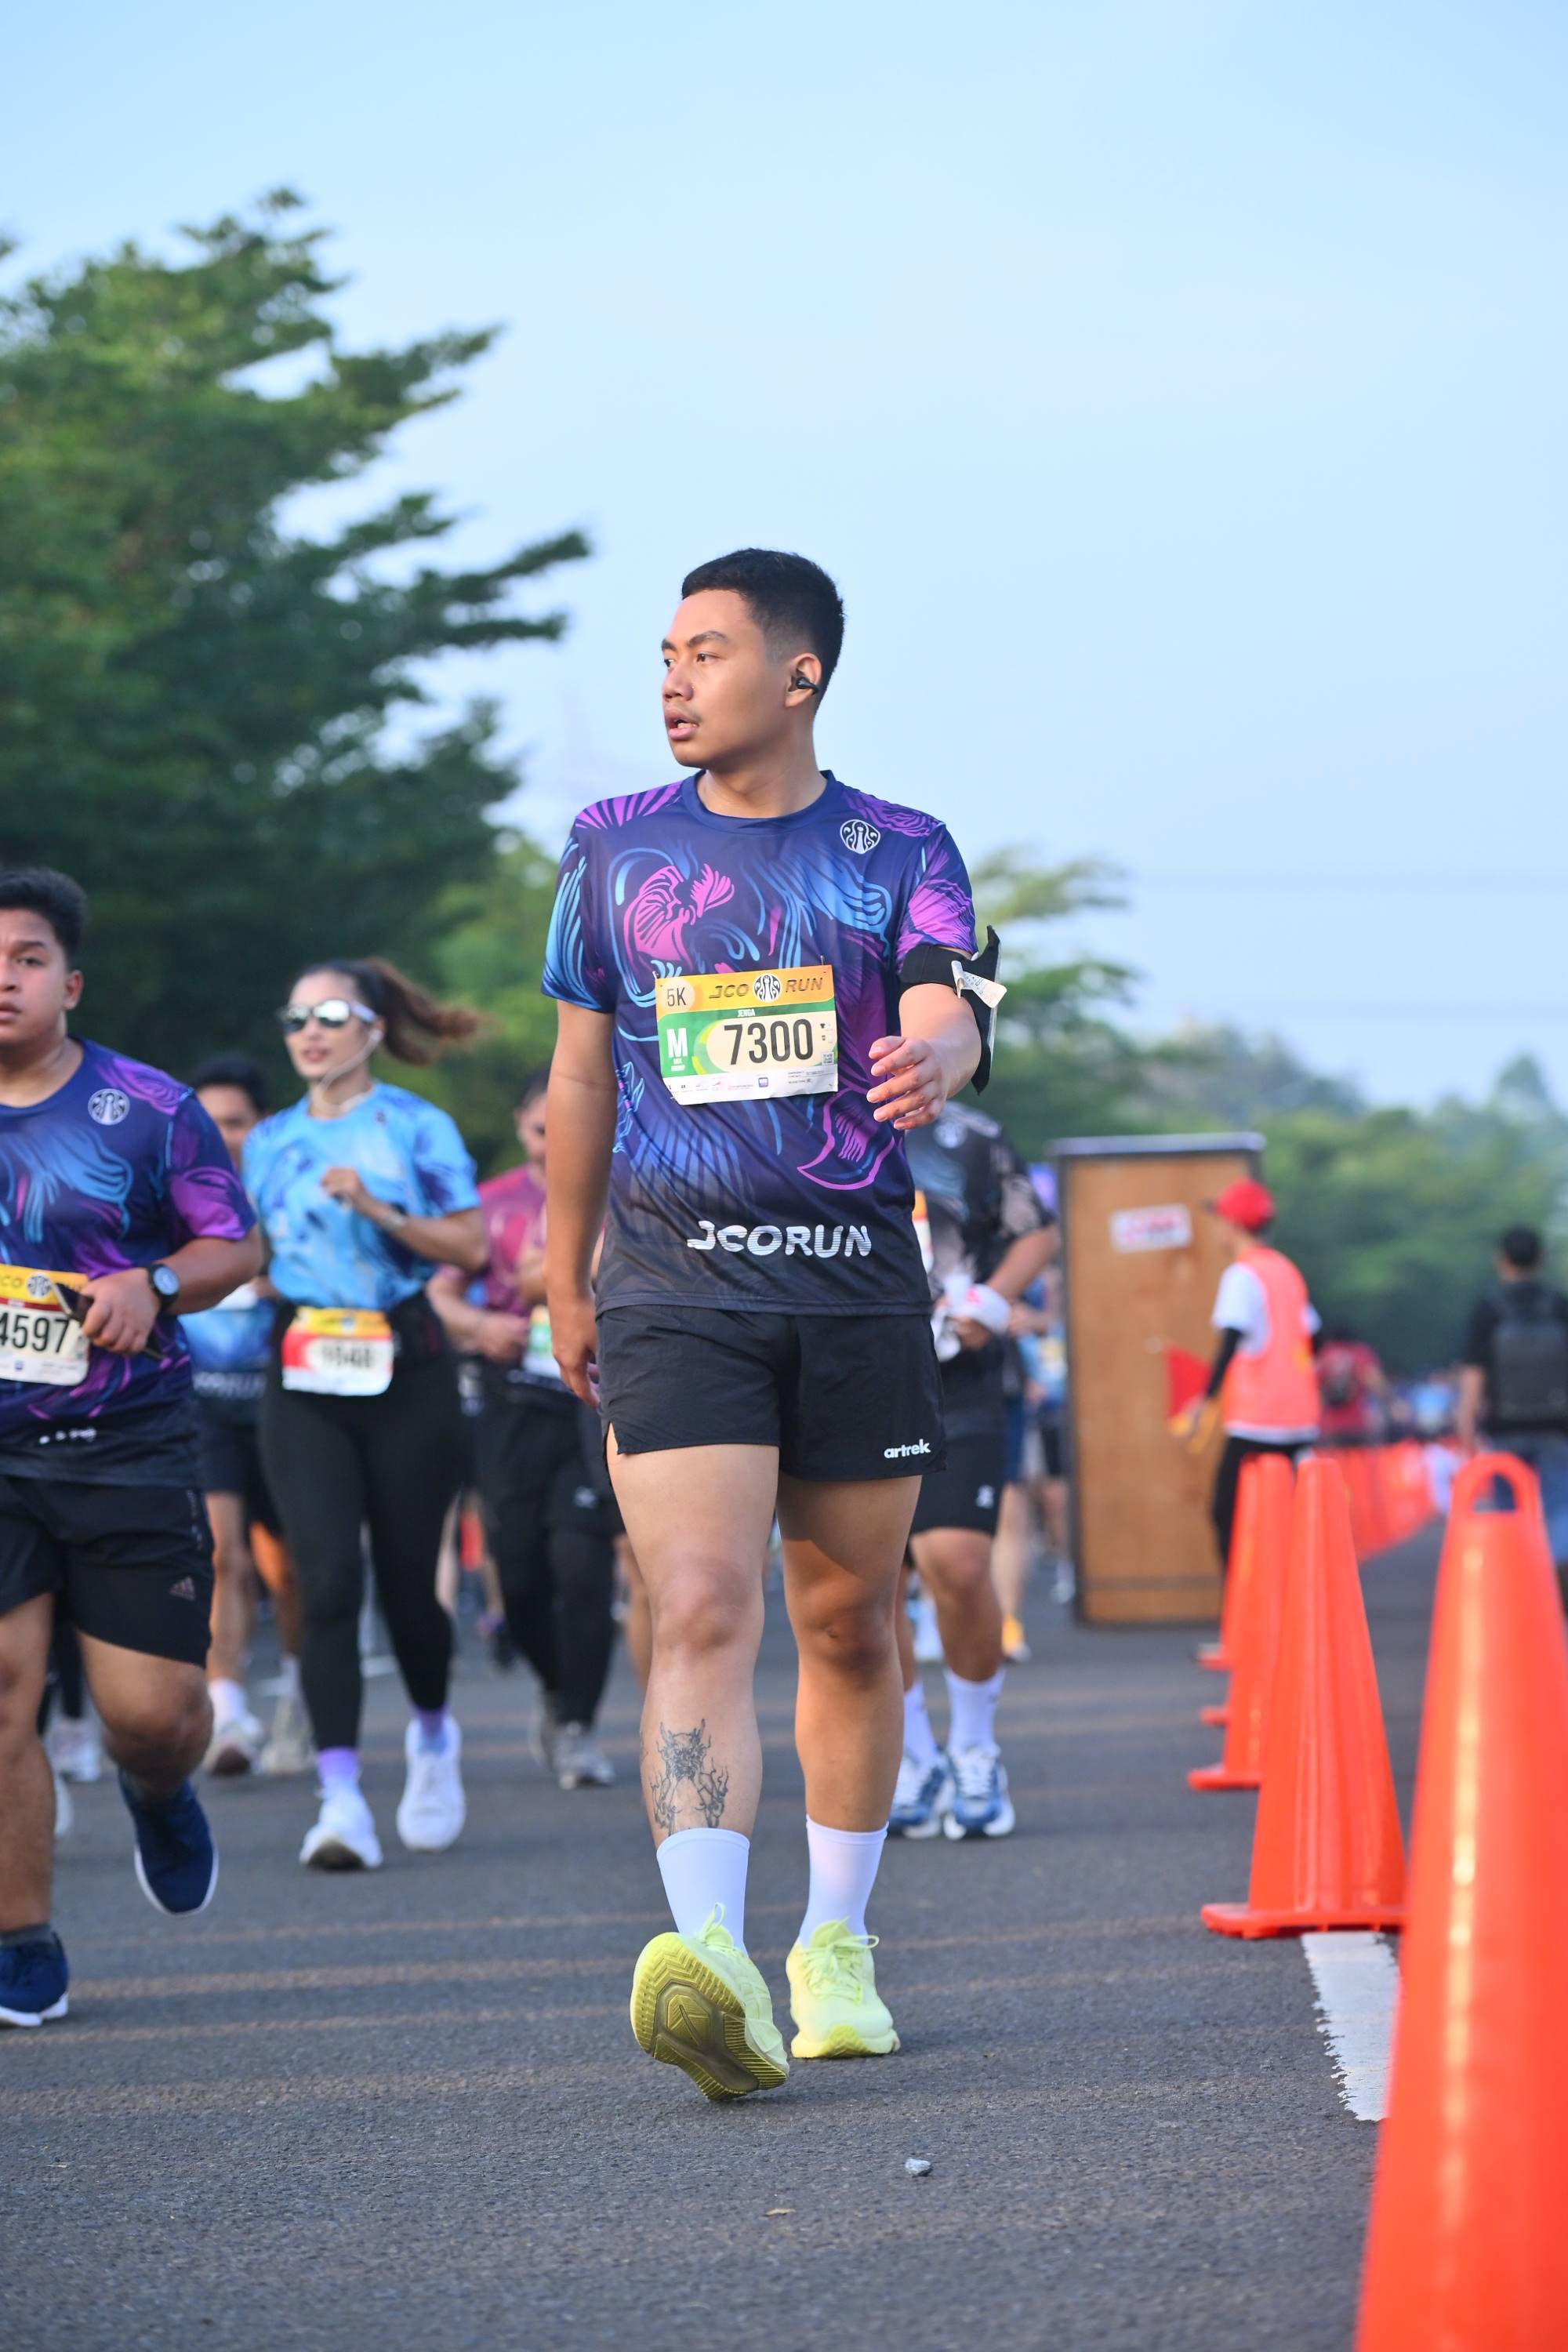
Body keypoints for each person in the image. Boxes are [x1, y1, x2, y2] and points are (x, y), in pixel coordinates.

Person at [543, 547, 1000, 2101]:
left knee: (850, 1624)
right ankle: (713, 1961)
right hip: (675, 1286)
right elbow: (583, 1073)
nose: (674, 683)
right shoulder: (613, 846)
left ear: (798, 675)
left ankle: (835, 1946)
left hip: (854, 1281)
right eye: (665, 656)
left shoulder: (898, 846)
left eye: (709, 653)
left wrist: (938, 1053)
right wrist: (561, 1271)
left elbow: (950, 997)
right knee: (694, 1602)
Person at [0, 869, 260, 2030]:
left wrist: (152, 1281)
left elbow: (233, 1247)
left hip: (126, 1441)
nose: (5, 979)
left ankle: (159, 1792)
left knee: (152, 1716)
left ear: (70, 982)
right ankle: (21, 1934)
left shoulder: (147, 1106)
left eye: (27, 958)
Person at [245, 958, 487, 1871]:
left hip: (406, 1366)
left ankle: (432, 1733)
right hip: (304, 1365)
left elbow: (468, 1244)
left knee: (407, 1589)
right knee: (326, 1583)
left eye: (332, 1014)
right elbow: (251, 1248)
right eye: (297, 1017)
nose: (310, 1032)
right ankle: (339, 1799)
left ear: (374, 1030)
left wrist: (377, 1208)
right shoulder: (268, 1140)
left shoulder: (415, 1126)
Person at [430, 1069, 619, 1791]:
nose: (555, 1139)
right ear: (521, 1126)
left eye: (569, 1124)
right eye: (543, 1127)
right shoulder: (491, 1204)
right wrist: (479, 1324)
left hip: (593, 1402)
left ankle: (578, 1727)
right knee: (520, 1570)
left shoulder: (624, 1191)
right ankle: (554, 1687)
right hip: (511, 1400)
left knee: (583, 1566)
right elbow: (439, 1294)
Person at [889, 1107, 1055, 1838]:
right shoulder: (795, 1106)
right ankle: (913, 1756)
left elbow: (1037, 1231)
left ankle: (974, 1747)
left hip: (957, 1375)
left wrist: (989, 1300)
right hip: (846, 1371)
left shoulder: (970, 1135)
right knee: (864, 1591)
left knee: (955, 1564)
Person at [186, 1053, 309, 1777]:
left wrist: (281, 1279)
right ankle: (226, 1710)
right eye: (205, 1122)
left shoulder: (287, 1190)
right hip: (202, 1400)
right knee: (219, 1554)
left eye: (233, 1122)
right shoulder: (169, 1195)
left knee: (290, 1568)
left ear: (260, 1126)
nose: (219, 1136)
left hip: (283, 1397)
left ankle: (298, 1696)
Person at [1174, 1178, 1319, 1571]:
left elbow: (1230, 1342)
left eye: (1221, 1220)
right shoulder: (1286, 1271)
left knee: (1227, 1515)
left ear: (1235, 1225)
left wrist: (1203, 1402)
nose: (1218, 1229)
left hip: (1257, 1421)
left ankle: (1246, 1604)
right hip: (1299, 1420)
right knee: (1286, 1518)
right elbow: (1313, 1336)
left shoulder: (1242, 1275)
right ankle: (1287, 1597)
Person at [1457, 1224, 1568, 1573]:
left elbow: (1474, 1373)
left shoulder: (1488, 1308)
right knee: (1561, 1505)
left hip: (1505, 1424)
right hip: (1556, 1424)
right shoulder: (1559, 1305)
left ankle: (1517, 1575)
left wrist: (1466, 1421)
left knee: (1508, 1505)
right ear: (1541, 1259)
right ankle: (1559, 1571)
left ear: (1500, 1259)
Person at [1315, 1320, 1389, 1449]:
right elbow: (1377, 1384)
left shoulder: (1324, 1354)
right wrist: (1390, 1404)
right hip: (1357, 1424)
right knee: (1358, 1461)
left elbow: (1312, 1387)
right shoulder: (1360, 1354)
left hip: (1329, 1426)